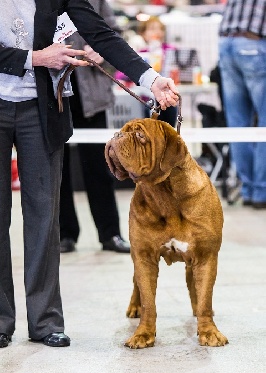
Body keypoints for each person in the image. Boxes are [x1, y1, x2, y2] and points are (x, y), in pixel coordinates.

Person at [0, 0, 178, 349]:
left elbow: (101, 33)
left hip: (43, 107)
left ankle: (45, 320)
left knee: (44, 217)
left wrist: (151, 79)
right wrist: (34, 58)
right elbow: (35, 55)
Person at [60, 0, 130, 254]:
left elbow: (114, 34)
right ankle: (64, 235)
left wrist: (102, 51)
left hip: (92, 94)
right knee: (58, 169)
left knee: (100, 167)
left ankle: (110, 234)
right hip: (54, 94)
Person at [218, 0, 266, 209]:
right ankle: (260, 192)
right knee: (264, 125)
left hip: (226, 44)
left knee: (238, 124)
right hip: (253, 42)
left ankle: (247, 189)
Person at [117, 16, 178, 127]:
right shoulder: (139, 53)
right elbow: (120, 74)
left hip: (168, 98)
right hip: (146, 100)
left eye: (160, 29)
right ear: (143, 34)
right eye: (152, 29)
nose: (157, 32)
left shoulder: (171, 50)